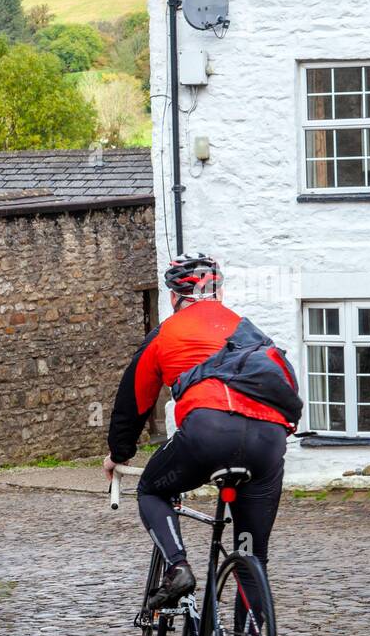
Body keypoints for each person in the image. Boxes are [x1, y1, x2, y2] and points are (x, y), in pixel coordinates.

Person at [103, 254, 298, 609]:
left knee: (150, 488)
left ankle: (178, 567)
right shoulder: (250, 331)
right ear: (219, 293)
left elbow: (133, 401)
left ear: (174, 298)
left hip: (208, 431)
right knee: (251, 555)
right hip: (268, 440)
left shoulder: (165, 334)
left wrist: (119, 454)